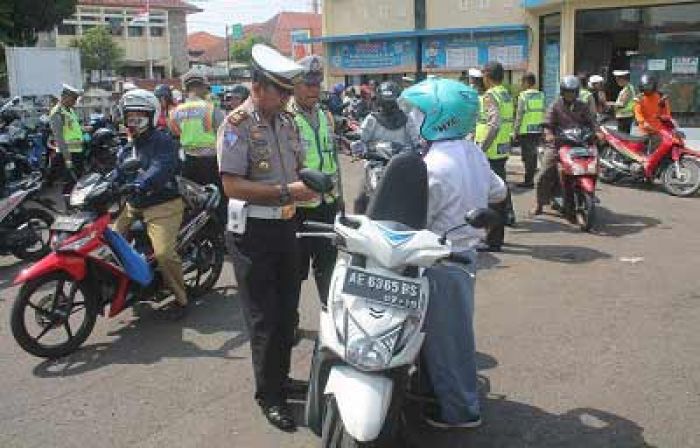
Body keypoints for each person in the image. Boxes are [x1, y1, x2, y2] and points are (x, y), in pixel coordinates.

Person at [216, 44, 317, 432]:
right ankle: (269, 395)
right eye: (283, 91)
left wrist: (309, 181)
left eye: (289, 92)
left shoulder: (287, 123)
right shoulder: (237, 124)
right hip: (253, 233)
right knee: (265, 319)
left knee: (287, 313)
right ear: (259, 86)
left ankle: (281, 378)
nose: (289, 98)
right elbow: (232, 185)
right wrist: (286, 191)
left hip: (286, 228)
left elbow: (300, 166)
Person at [399, 77, 507, 428]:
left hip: (439, 264)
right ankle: (431, 389)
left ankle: (461, 412)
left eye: (418, 112)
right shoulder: (471, 151)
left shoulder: (434, 167)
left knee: (450, 343)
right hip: (465, 258)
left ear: (437, 117)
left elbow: (412, 220)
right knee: (442, 336)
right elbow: (499, 190)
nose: (413, 119)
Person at [113, 89, 188, 320]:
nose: (134, 121)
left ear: (152, 116)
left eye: (140, 115)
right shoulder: (128, 145)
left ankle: (181, 298)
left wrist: (141, 183)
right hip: (135, 203)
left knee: (164, 254)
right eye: (130, 116)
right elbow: (117, 171)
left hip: (162, 204)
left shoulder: (163, 141)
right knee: (112, 239)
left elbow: (162, 166)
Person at [289, 55, 339, 304]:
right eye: (308, 84)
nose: (314, 90)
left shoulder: (325, 116)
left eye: (317, 84)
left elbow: (335, 162)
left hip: (327, 205)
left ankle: (329, 317)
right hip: (298, 208)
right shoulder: (284, 118)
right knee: (294, 271)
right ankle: (291, 322)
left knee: (328, 266)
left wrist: (339, 200)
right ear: (295, 85)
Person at [530, 76, 601, 219]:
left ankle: (587, 194)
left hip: (580, 143)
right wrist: (549, 134)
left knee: (594, 165)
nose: (571, 95)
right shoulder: (555, 106)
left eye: (573, 92)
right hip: (559, 144)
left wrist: (597, 132)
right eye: (568, 92)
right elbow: (548, 123)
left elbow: (591, 122)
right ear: (562, 92)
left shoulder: (582, 106)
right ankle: (539, 203)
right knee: (545, 172)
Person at [169, 69, 226, 220]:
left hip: (188, 162)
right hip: (211, 163)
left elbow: (175, 134)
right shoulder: (210, 108)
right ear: (200, 87)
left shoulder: (175, 112)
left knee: (191, 202)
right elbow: (224, 133)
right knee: (218, 200)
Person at [475, 61, 515, 251]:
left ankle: (493, 240)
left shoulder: (490, 95)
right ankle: (496, 235)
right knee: (499, 191)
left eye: (483, 75)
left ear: (487, 76)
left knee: (493, 197)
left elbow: (495, 123)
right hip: (501, 148)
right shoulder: (505, 93)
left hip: (490, 151)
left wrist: (482, 147)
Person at [513, 72, 545, 188]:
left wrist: (515, 131)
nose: (521, 84)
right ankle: (530, 178)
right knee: (533, 155)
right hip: (537, 130)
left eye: (522, 81)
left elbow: (519, 115)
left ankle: (528, 181)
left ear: (527, 82)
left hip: (526, 131)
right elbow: (543, 112)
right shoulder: (541, 95)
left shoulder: (523, 96)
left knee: (527, 157)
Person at [49, 84, 85, 186]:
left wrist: (83, 130)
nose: (75, 101)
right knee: (70, 184)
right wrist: (67, 158)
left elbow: (72, 129)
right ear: (65, 97)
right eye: (73, 98)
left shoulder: (70, 110)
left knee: (77, 181)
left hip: (77, 151)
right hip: (67, 153)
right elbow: (59, 137)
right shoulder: (58, 112)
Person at [634, 72, 672, 155]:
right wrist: (643, 122)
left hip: (657, 130)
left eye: (649, 86)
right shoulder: (640, 98)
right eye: (645, 87)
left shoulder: (661, 97)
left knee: (656, 152)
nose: (647, 89)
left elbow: (667, 113)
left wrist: (664, 117)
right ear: (641, 87)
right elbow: (637, 112)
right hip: (643, 130)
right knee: (639, 152)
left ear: (654, 86)